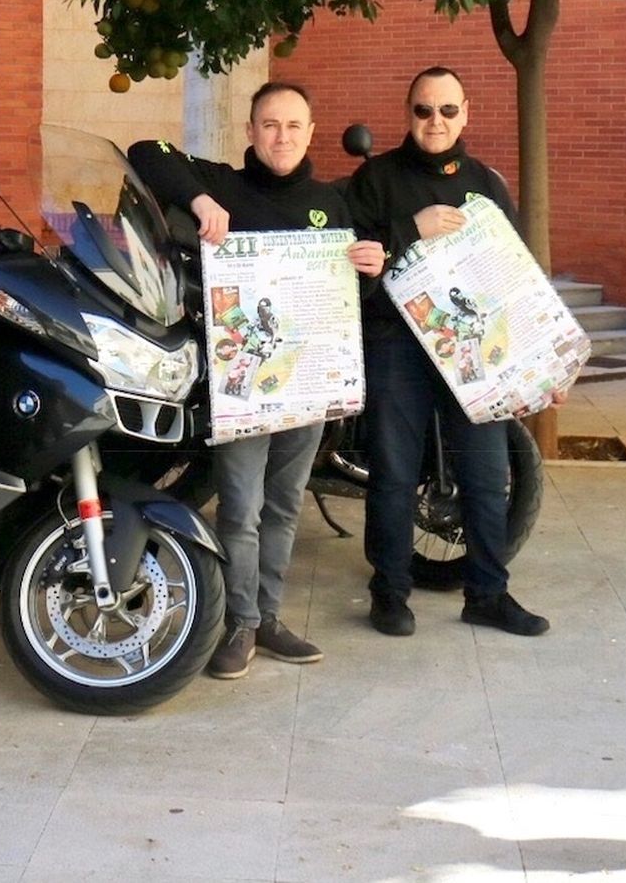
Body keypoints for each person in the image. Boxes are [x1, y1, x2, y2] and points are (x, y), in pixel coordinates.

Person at [129, 82, 387, 680]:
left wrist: (372, 271)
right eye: (270, 125)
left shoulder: (333, 203)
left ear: (311, 132)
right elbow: (146, 151)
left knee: (284, 506)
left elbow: (352, 295)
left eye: (294, 125)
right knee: (241, 508)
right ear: (250, 131)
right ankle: (240, 623)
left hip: (307, 384)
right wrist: (198, 198)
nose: (282, 137)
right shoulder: (224, 184)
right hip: (244, 383)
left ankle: (268, 616)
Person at [346, 66, 554, 638]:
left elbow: (515, 279)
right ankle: (390, 593)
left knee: (486, 476)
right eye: (423, 110)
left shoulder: (486, 184)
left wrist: (539, 364)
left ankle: (487, 594)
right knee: (394, 474)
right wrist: (410, 228)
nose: (434, 121)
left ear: (466, 114)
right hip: (397, 346)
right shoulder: (375, 180)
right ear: (408, 113)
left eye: (447, 110)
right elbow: (347, 260)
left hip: (473, 352)